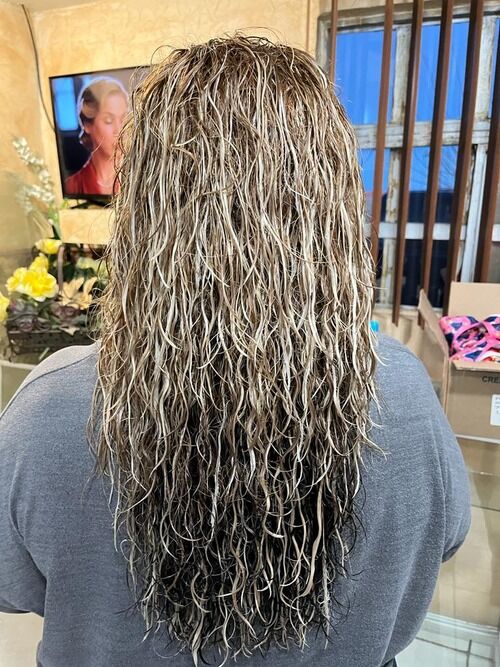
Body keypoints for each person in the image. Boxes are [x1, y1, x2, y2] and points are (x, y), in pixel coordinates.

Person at [0, 36, 470, 667]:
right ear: (331, 209)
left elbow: (15, 587)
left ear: (144, 210)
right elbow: (442, 543)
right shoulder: (405, 398)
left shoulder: (48, 410)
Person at [64, 77, 129, 196]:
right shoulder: (72, 186)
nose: (119, 130)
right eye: (108, 120)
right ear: (87, 125)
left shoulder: (143, 180)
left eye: (123, 119)